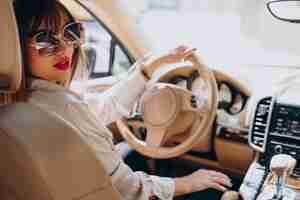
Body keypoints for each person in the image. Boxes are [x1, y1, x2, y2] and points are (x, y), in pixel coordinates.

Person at [14, 0, 232, 199]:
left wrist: (152, 66)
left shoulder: (23, 104)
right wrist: (188, 183)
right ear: (16, 45)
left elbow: (104, 108)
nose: (65, 48)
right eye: (44, 39)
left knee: (130, 151)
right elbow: (126, 189)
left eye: (70, 33)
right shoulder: (64, 106)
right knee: (216, 191)